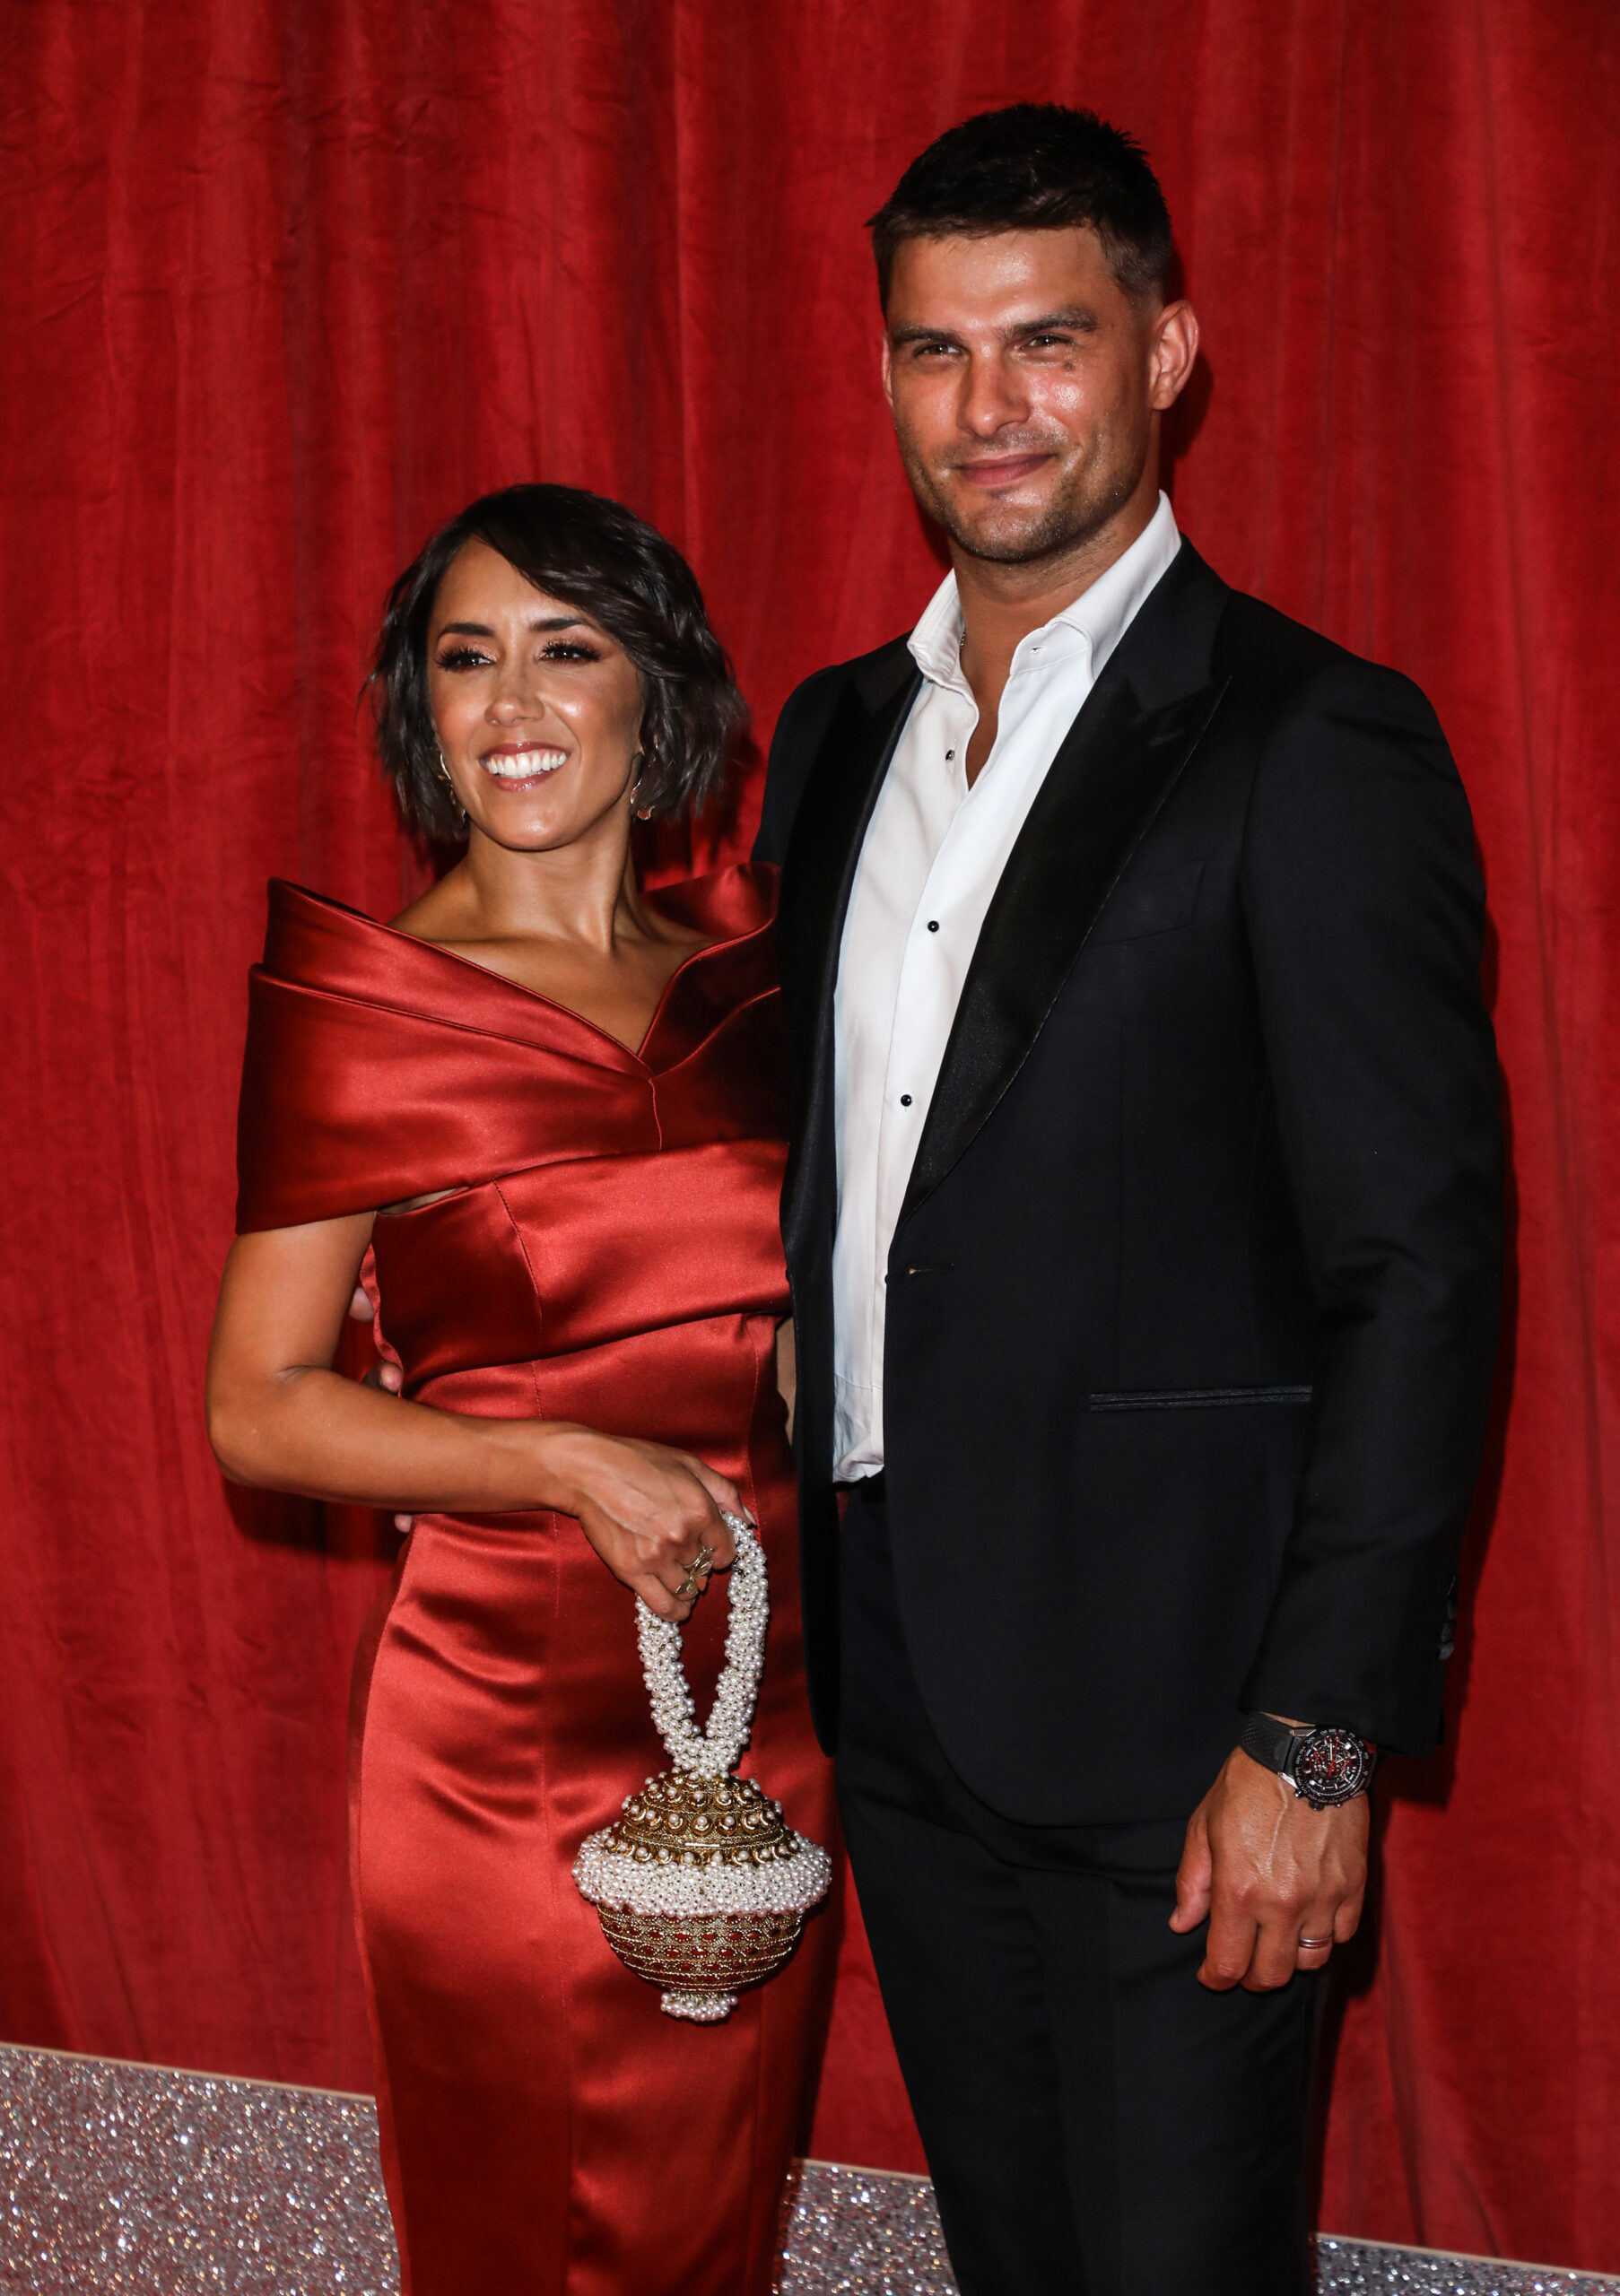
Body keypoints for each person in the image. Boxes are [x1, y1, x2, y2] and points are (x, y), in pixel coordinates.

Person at [754, 105, 1503, 2295]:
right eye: (933, 351)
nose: (989, 409)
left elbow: (1419, 1267)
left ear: (1166, 351)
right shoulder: (827, 741)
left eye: (1047, 341)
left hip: (1195, 1713)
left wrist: (1316, 1729)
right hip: (898, 1672)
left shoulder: (1310, 738)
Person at [206, 483, 836, 2296]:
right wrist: (559, 1457)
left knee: (706, 2231)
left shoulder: (760, 970)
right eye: (466, 656)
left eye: (570, 646)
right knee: (522, 2238)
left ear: (661, 691)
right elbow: (260, 1403)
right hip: (494, 1734)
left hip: (765, 1702)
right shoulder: (363, 996)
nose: (515, 698)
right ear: (423, 708)